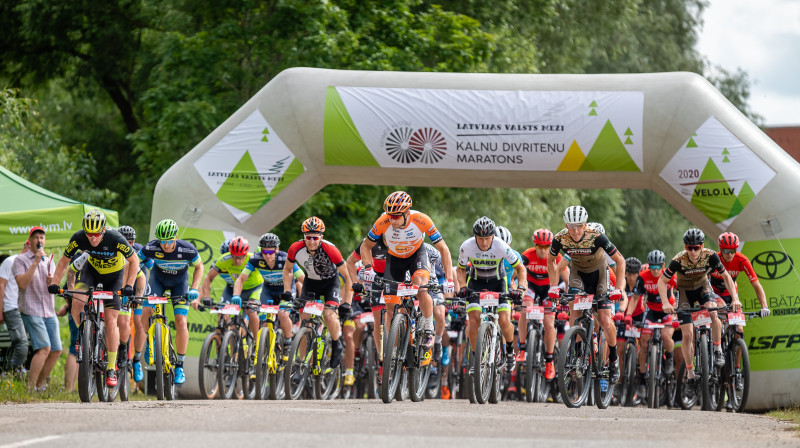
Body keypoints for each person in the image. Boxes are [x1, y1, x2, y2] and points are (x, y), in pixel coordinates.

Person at [49, 209, 140, 387]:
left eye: (97, 234)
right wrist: (54, 283)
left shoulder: (115, 238)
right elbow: (63, 262)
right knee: (77, 304)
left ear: (104, 230)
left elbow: (134, 261)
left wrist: (129, 285)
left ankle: (111, 368)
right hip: (91, 273)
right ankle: (85, 336)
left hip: (114, 277)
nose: (92, 238)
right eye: (89, 234)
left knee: (112, 320)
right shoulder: (78, 238)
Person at [359, 191, 455, 353]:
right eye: (390, 216)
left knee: (421, 287)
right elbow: (365, 246)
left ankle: (426, 326)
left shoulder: (421, 220)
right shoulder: (383, 222)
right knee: (390, 307)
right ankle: (394, 350)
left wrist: (449, 279)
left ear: (407, 213)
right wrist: (368, 268)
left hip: (417, 256)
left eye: (396, 216)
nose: (392, 220)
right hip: (394, 259)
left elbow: (443, 249)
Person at [547, 206, 627, 383]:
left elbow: (620, 260)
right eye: (571, 226)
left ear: (585, 224)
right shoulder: (560, 238)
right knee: (574, 315)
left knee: (605, 321)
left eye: (579, 226)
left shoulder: (597, 236)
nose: (575, 231)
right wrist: (553, 286)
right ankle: (577, 354)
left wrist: (619, 289)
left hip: (599, 276)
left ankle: (613, 359)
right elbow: (551, 260)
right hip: (578, 276)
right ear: (566, 225)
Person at [659, 228, 741, 383]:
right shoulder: (678, 260)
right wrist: (665, 302)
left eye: (696, 247)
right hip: (685, 293)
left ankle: (717, 350)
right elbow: (661, 281)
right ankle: (690, 373)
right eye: (690, 247)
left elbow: (726, 277)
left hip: (703, 288)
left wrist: (735, 298)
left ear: (702, 246)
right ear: (685, 247)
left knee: (712, 310)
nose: (693, 251)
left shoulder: (710, 256)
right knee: (688, 335)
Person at [135, 218, 204, 384]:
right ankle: (149, 341)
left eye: (169, 241)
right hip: (157, 281)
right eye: (162, 241)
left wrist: (194, 288)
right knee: (144, 312)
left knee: (181, 322)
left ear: (176, 237)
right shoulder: (151, 247)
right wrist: (134, 280)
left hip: (179, 284)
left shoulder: (187, 249)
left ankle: (179, 365)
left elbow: (199, 267)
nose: (165, 245)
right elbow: (134, 261)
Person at [457, 216, 528, 373]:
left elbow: (521, 269)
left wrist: (520, 289)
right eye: (480, 239)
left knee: (504, 320)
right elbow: (460, 269)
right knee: (474, 320)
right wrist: (462, 285)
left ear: (493, 237)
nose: (483, 243)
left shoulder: (501, 246)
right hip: (475, 283)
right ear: (475, 236)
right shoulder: (467, 246)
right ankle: (477, 359)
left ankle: (509, 351)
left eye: (487, 238)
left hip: (498, 283)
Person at [281, 217, 352, 369]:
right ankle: (302, 362)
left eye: (315, 237)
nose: (311, 241)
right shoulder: (295, 248)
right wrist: (287, 290)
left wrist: (348, 302)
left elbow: (347, 276)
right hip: (310, 282)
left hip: (330, 283)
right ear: (303, 237)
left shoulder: (330, 249)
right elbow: (287, 270)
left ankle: (336, 342)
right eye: (308, 237)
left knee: (328, 314)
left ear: (321, 237)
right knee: (304, 321)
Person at [13, 227, 60, 391]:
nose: (39, 240)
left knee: (56, 350)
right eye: (36, 237)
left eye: (42, 237)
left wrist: (51, 282)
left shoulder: (49, 260)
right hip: (31, 310)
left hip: (49, 310)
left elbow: (53, 286)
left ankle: (39, 387)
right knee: (44, 348)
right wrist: (34, 262)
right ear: (30, 240)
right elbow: (22, 284)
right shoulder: (21, 260)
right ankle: (29, 388)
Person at [520, 228, 569, 380]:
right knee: (524, 309)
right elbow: (516, 275)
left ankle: (549, 360)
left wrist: (565, 301)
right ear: (535, 245)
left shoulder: (557, 257)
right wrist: (515, 288)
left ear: (550, 246)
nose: (542, 250)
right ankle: (522, 348)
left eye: (546, 246)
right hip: (532, 286)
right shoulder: (527, 255)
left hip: (549, 288)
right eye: (539, 246)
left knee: (549, 323)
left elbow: (567, 281)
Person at [711, 232, 770, 318]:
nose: (729, 254)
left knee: (738, 328)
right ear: (721, 249)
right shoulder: (714, 259)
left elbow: (756, 285)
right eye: (726, 251)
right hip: (714, 292)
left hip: (731, 293)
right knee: (722, 309)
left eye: (733, 250)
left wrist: (764, 306)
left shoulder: (742, 260)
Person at [0, 241, 30, 376]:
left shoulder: (28, 266)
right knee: (22, 344)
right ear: (25, 248)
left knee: (18, 342)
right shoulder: (10, 261)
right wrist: (0, 310)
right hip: (10, 307)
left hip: (22, 309)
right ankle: (10, 372)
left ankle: (7, 371)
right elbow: (1, 285)